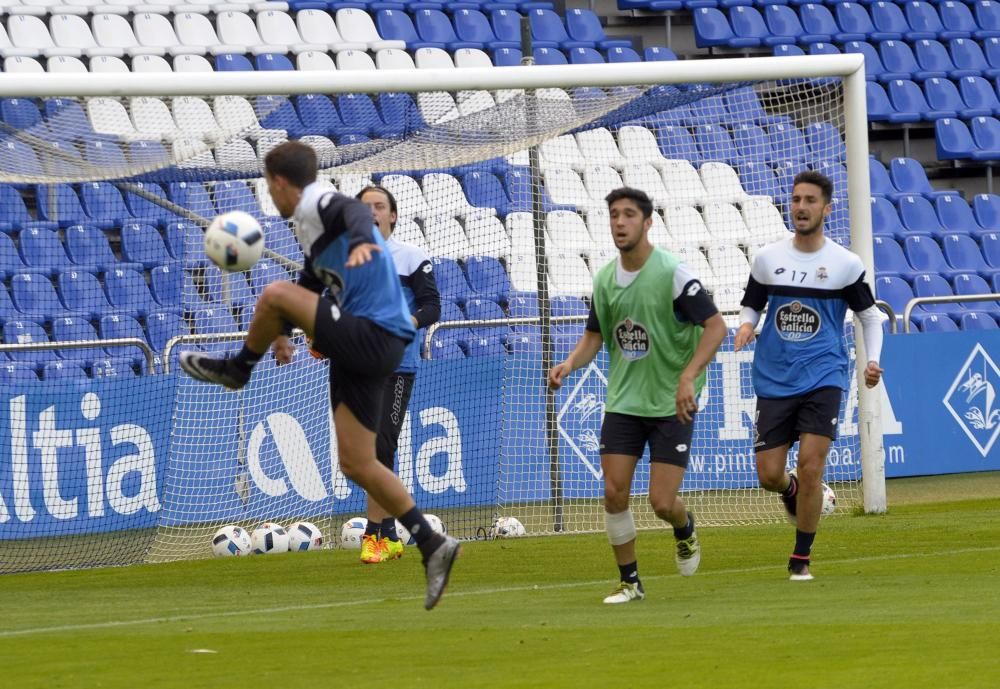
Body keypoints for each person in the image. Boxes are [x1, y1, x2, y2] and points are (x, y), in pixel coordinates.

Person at [179, 141, 459, 609]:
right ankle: (433, 544)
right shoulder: (308, 230)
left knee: (271, 292)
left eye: (269, 185)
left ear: (280, 183)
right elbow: (311, 281)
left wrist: (365, 244)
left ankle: (237, 370)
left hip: (376, 330)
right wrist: (283, 330)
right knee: (357, 463)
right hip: (368, 347)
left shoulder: (318, 202)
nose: (269, 194)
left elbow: (353, 213)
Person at [548, 187, 726, 605]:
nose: (619, 222)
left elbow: (716, 327)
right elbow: (595, 336)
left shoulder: (673, 274)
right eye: (613, 215)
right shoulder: (605, 279)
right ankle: (630, 582)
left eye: (629, 215)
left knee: (662, 502)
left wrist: (689, 376)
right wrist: (570, 364)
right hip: (624, 403)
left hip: (670, 403)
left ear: (648, 223)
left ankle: (684, 528)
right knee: (614, 492)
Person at [734, 170, 884, 582]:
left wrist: (871, 361)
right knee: (768, 474)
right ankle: (791, 491)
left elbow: (870, 317)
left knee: (812, 466)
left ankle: (801, 558)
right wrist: (747, 325)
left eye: (810, 200)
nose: (801, 206)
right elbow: (752, 304)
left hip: (825, 374)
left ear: (826, 208)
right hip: (775, 378)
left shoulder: (844, 264)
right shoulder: (768, 259)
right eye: (796, 199)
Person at [355, 185, 441, 565]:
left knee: (381, 447)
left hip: (396, 365)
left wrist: (410, 320)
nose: (372, 212)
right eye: (364, 208)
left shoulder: (411, 257)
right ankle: (385, 533)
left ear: (393, 215)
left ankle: (379, 533)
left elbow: (432, 306)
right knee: (366, 452)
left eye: (379, 206)